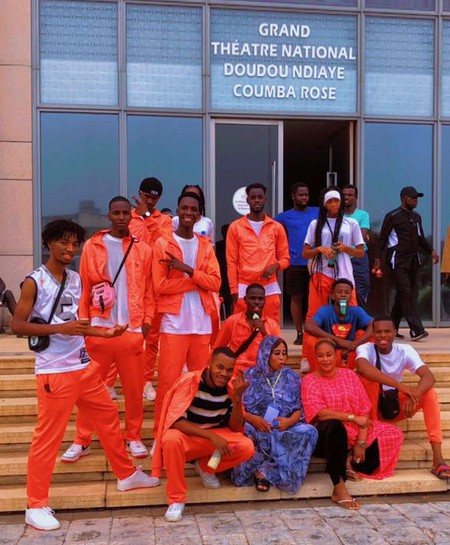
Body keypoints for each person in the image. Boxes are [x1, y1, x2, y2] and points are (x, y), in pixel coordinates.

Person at [11, 219, 159, 532]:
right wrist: (60, 328)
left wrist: (104, 333)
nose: (70, 249)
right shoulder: (34, 281)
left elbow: (78, 324)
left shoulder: (76, 279)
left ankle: (126, 474)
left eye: (75, 244)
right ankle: (35, 505)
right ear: (49, 243)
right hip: (54, 372)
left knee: (108, 416)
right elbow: (18, 325)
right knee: (47, 439)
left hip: (83, 366)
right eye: (64, 242)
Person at [61, 197, 153, 461]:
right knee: (89, 389)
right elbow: (85, 287)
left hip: (131, 330)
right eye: (116, 213)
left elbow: (149, 290)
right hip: (99, 329)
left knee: (134, 391)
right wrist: (84, 323)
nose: (122, 217)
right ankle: (82, 440)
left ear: (131, 217)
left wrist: (146, 324)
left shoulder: (143, 249)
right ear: (109, 216)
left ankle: (133, 436)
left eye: (126, 213)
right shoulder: (93, 245)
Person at [151, 347, 254, 522]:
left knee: (246, 446)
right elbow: (176, 421)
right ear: (209, 363)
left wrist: (237, 400)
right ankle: (176, 499)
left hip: (212, 439)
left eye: (229, 370)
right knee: (171, 439)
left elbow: (236, 428)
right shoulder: (189, 381)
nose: (224, 374)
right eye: (220, 367)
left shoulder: (231, 389)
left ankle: (206, 467)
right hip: (189, 437)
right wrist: (211, 437)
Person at [301, 339, 403, 510]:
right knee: (335, 426)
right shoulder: (309, 380)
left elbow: (364, 408)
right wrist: (351, 418)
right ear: (315, 358)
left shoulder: (349, 375)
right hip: (326, 435)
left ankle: (349, 460)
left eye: (329, 355)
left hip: (355, 430)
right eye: (320, 356)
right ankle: (339, 487)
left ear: (336, 356)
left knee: (393, 433)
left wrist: (361, 443)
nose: (325, 359)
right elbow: (320, 413)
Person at [152, 192, 221, 437]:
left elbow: (216, 282)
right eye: (184, 208)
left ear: (199, 214)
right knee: (168, 384)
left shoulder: (205, 246)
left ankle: (195, 434)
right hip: (174, 324)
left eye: (193, 209)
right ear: (178, 211)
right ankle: (160, 435)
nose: (189, 212)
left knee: (199, 383)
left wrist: (188, 271)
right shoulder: (163, 244)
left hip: (201, 324)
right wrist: (195, 281)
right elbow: (160, 286)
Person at [355, 315, 450, 480]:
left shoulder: (405, 350)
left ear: (395, 332)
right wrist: (400, 386)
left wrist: (414, 395)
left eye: (387, 331)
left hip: (393, 404)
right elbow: (363, 368)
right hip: (371, 408)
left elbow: (429, 376)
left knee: (430, 393)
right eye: (378, 332)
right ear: (373, 334)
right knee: (368, 381)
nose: (382, 335)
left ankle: (438, 458)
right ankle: (371, 437)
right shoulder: (365, 348)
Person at [231, 336, 318, 494]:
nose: (282, 358)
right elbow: (235, 406)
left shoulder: (291, 377)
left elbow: (299, 409)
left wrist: (288, 422)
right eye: (276, 353)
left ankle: (265, 472)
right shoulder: (248, 376)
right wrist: (253, 419)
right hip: (255, 427)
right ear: (265, 353)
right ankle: (252, 470)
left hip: (283, 427)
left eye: (284, 353)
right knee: (244, 432)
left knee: (310, 432)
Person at [372, 186, 439, 341]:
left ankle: (392, 327)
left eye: (416, 198)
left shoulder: (416, 217)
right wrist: (377, 259)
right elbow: (382, 239)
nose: (415, 200)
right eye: (412, 197)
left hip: (413, 260)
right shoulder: (392, 216)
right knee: (405, 291)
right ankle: (416, 330)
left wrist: (431, 251)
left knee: (404, 294)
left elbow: (421, 238)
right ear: (403, 198)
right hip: (397, 259)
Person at [129, 177, 173, 402]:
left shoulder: (165, 220)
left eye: (154, 198)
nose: (150, 201)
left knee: (152, 337)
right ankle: (110, 381)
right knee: (125, 335)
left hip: (155, 287)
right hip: (131, 286)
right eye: (147, 197)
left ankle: (146, 380)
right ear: (140, 194)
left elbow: (163, 246)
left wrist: (147, 216)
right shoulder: (127, 218)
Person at [226, 183, 290, 323]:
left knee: (270, 329)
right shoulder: (235, 227)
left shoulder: (276, 227)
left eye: (260, 197)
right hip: (244, 286)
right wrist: (233, 290)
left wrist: (275, 266)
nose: (256, 200)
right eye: (253, 197)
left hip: (269, 287)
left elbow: (286, 259)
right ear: (247, 200)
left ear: (265, 199)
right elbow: (231, 261)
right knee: (242, 330)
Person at [303, 186, 364, 320]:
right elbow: (305, 253)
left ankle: (350, 333)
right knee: (315, 311)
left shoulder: (351, 223)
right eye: (329, 201)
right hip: (321, 271)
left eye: (336, 200)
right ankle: (315, 333)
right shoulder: (315, 224)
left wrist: (345, 248)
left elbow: (360, 253)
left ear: (341, 202)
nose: (333, 204)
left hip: (344, 272)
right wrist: (319, 249)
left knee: (350, 309)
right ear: (324, 204)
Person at [274, 182, 319, 345]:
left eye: (306, 194)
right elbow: (270, 229)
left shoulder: (318, 212)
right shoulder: (284, 217)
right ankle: (299, 333)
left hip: (315, 263)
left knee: (315, 299)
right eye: (300, 195)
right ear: (293, 196)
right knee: (296, 298)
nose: (304, 197)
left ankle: (314, 331)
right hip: (295, 263)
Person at [303, 278, 373, 371]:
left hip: (349, 351)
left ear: (351, 296)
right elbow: (309, 326)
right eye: (339, 292)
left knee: (372, 338)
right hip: (328, 351)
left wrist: (354, 345)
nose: (343, 295)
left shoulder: (357, 311)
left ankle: (358, 372)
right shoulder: (325, 310)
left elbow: (373, 325)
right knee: (311, 340)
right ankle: (318, 372)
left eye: (347, 292)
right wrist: (338, 341)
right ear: (332, 295)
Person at [213, 283, 281, 375]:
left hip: (262, 373)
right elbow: (218, 349)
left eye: (260, 299)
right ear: (245, 299)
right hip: (236, 373)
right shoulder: (232, 321)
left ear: (265, 300)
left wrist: (264, 332)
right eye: (252, 298)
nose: (257, 302)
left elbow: (278, 353)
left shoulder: (272, 325)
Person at [343, 184, 371, 309]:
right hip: (341, 258)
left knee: (361, 289)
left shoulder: (363, 215)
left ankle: (360, 319)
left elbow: (362, 237)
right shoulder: (337, 216)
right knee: (342, 291)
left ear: (356, 197)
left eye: (350, 195)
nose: (346, 197)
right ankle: (344, 318)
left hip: (359, 258)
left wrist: (343, 238)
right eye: (344, 195)